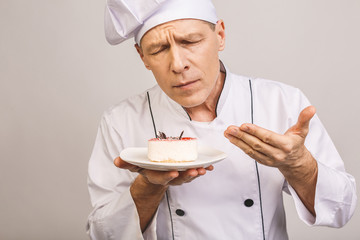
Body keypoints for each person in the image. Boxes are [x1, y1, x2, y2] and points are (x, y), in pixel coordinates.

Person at [86, 0, 357, 239]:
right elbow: (103, 234)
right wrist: (149, 185)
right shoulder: (120, 121)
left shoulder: (281, 101)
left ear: (220, 35)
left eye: (190, 41)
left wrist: (298, 164)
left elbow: (342, 209)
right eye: (158, 50)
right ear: (142, 56)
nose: (178, 64)